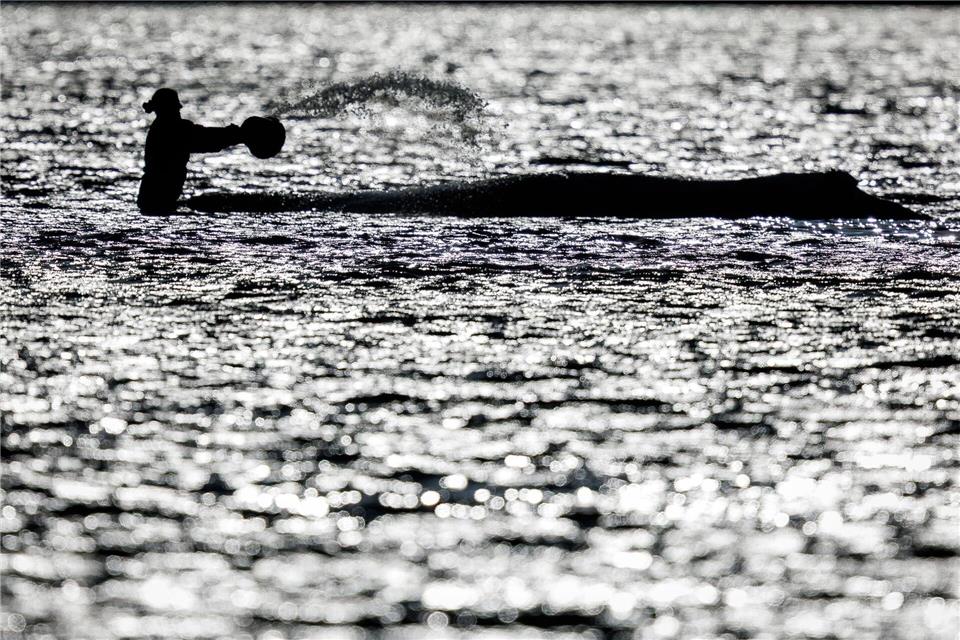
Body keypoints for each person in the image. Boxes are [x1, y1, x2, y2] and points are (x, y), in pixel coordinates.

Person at [137, 88, 244, 214]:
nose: (179, 111)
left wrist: (233, 135)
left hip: (153, 199)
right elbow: (206, 139)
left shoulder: (162, 127)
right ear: (168, 109)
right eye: (176, 108)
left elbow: (205, 138)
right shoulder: (172, 130)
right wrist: (236, 134)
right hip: (157, 200)